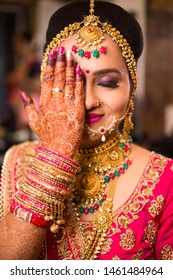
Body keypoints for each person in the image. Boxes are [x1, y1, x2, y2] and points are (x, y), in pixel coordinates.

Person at [0, 0, 173, 260]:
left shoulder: (164, 179)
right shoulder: (16, 161)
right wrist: (53, 160)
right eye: (70, 81)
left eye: (107, 82)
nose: (87, 101)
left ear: (132, 87)